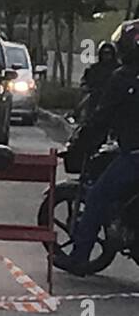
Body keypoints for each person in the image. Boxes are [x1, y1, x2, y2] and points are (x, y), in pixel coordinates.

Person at [55, 26, 139, 275]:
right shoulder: (112, 76)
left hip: (135, 154)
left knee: (97, 197)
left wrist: (84, 140)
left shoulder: (123, 78)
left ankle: (79, 258)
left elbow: (102, 116)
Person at [78, 41, 119, 120]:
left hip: (113, 103)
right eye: (104, 53)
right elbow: (84, 81)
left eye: (109, 53)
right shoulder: (93, 69)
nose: (106, 56)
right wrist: (85, 87)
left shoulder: (118, 70)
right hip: (94, 101)